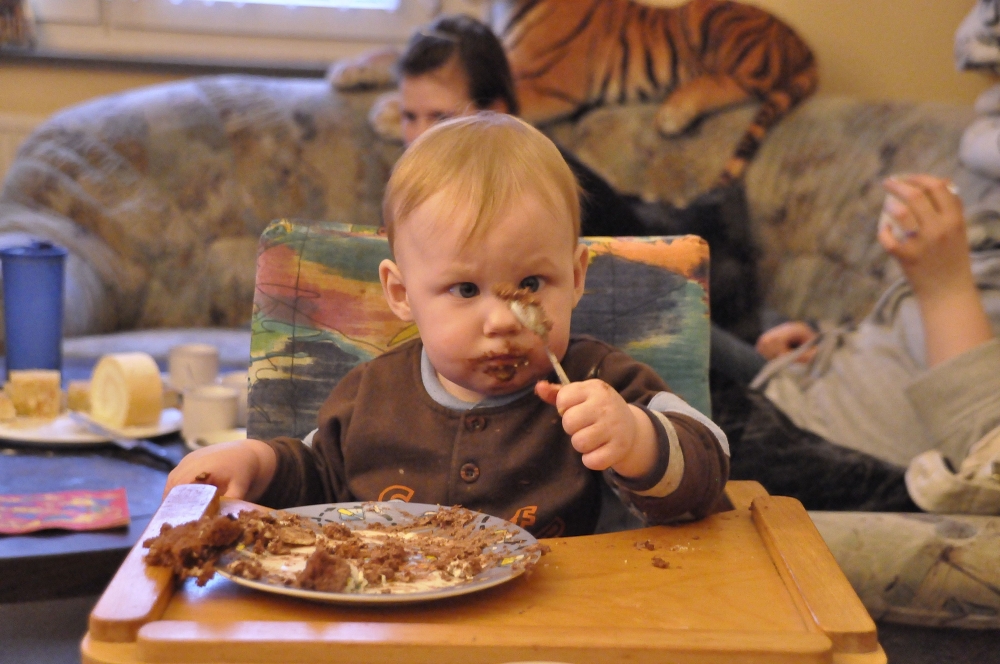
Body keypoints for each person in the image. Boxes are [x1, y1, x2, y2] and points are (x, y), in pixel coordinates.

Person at [165, 114, 730, 537]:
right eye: (465, 290)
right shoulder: (370, 396)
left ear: (576, 276)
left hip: (549, 626)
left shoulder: (599, 384)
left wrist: (637, 440)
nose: (502, 320)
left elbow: (709, 468)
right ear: (401, 293)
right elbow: (316, 478)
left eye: (531, 283)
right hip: (394, 623)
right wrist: (256, 463)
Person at [709, 174, 1000, 512]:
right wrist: (823, 334)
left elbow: (986, 468)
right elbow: (903, 329)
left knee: (663, 323)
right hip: (804, 380)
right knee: (665, 293)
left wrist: (945, 288)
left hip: (815, 445)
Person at [393, 14, 647, 238]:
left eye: (441, 118)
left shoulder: (534, 189)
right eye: (409, 117)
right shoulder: (419, 186)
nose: (419, 138)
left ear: (494, 114)